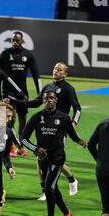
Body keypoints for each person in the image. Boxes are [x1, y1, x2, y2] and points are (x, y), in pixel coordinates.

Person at [21, 90, 86, 216]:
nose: (48, 100)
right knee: (53, 189)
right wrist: (35, 148)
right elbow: (23, 138)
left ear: (56, 100)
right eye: (45, 98)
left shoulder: (63, 118)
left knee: (49, 188)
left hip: (57, 158)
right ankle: (67, 213)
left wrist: (80, 141)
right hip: (43, 159)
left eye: (51, 98)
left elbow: (72, 135)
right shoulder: (37, 117)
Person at [27, 62, 81, 200]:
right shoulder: (48, 87)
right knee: (40, 160)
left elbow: (77, 108)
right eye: (55, 68)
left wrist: (74, 122)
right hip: (45, 127)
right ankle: (46, 190)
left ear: (65, 74)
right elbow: (36, 102)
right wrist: (18, 102)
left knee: (54, 161)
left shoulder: (68, 89)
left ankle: (71, 180)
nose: (56, 71)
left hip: (60, 129)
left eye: (60, 69)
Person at [0, 31, 42, 157]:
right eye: (13, 40)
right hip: (8, 92)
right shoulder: (5, 54)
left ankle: (20, 147)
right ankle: (10, 147)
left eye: (18, 40)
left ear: (22, 41)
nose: (15, 43)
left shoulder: (28, 55)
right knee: (9, 119)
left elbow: (36, 74)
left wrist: (40, 93)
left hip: (23, 93)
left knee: (23, 119)